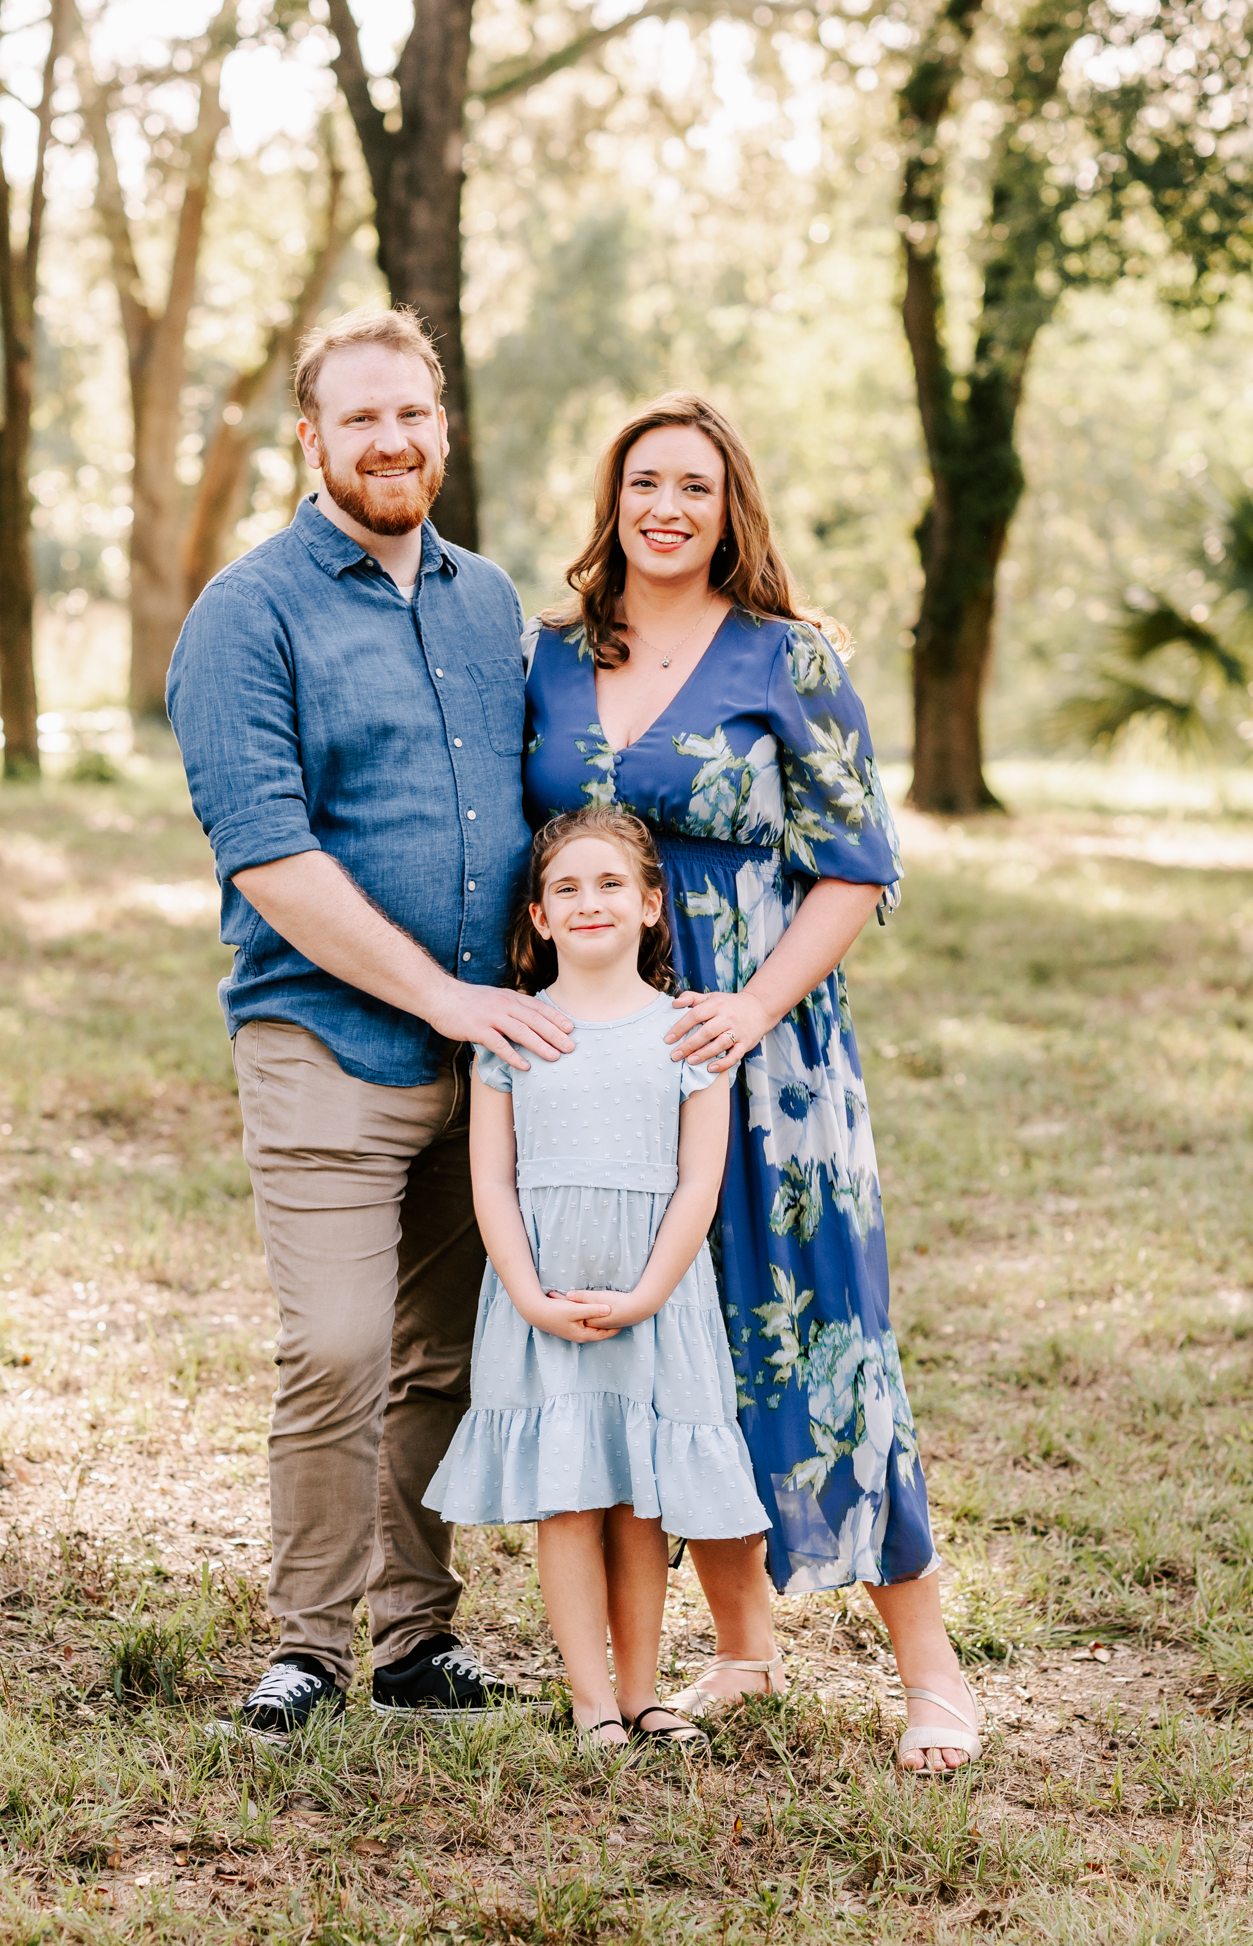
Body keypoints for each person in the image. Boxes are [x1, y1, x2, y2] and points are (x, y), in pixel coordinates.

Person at [519, 392, 981, 1774]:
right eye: (644, 482)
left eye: (696, 489)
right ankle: (739, 1649)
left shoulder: (791, 658)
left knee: (816, 1329)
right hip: (606, 1059)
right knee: (677, 1344)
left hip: (760, 1050)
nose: (667, 507)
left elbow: (856, 864)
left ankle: (928, 1670)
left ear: (731, 513)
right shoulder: (544, 660)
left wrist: (750, 1007)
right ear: (610, 502)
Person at [166, 304, 575, 1731]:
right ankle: (306, 1648)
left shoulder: (483, 601)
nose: (390, 440)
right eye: (360, 419)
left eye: (412, 414)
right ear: (312, 438)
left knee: (442, 1357)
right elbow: (269, 856)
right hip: (323, 1044)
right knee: (334, 1347)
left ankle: (413, 1641)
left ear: (441, 429)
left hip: (486, 1057)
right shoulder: (247, 612)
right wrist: (446, 994)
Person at [424, 808, 771, 1749]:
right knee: (568, 1497)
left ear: (653, 905)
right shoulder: (513, 1034)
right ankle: (588, 1702)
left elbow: (699, 1183)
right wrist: (531, 1295)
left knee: (639, 1497)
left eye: (611, 884)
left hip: (654, 1297)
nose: (589, 903)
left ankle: (644, 1694)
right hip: (543, 1292)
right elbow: (491, 1181)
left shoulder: (690, 1034)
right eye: (565, 889)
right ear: (537, 917)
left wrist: (649, 1293)